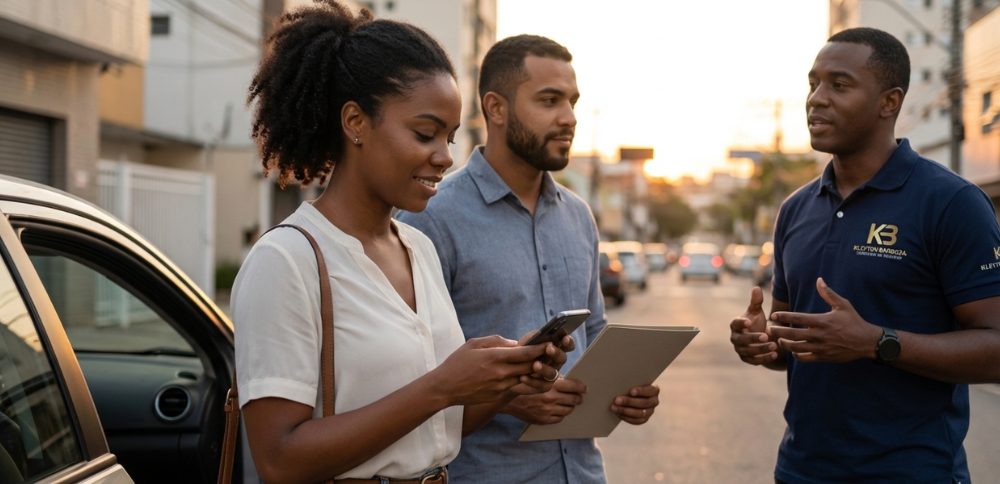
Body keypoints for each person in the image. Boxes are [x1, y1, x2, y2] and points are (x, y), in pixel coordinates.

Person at [232, 3, 572, 483]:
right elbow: (279, 461)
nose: (444, 157)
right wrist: (441, 386)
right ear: (355, 123)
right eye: (424, 133)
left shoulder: (418, 248)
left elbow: (437, 432)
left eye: (451, 137)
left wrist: (504, 381)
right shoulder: (286, 261)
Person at [729, 27, 1000, 484]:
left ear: (889, 102)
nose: (816, 99)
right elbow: (791, 343)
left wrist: (876, 342)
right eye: (812, 83)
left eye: (839, 84)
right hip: (800, 471)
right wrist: (762, 343)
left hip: (913, 473)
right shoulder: (795, 209)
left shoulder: (951, 202)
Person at [398, 35, 659, 484]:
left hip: (581, 471)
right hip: (484, 471)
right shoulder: (431, 218)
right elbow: (406, 370)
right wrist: (507, 396)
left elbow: (593, 331)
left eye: (573, 102)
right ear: (496, 109)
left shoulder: (579, 216)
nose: (569, 118)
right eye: (550, 100)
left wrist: (625, 387)